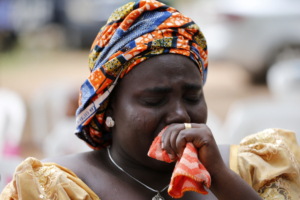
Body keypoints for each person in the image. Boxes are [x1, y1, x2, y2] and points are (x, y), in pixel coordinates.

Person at [1, 1, 299, 199]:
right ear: (110, 108)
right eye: (154, 100)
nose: (181, 114)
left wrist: (220, 177)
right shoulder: (54, 188)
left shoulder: (249, 167)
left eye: (193, 95)